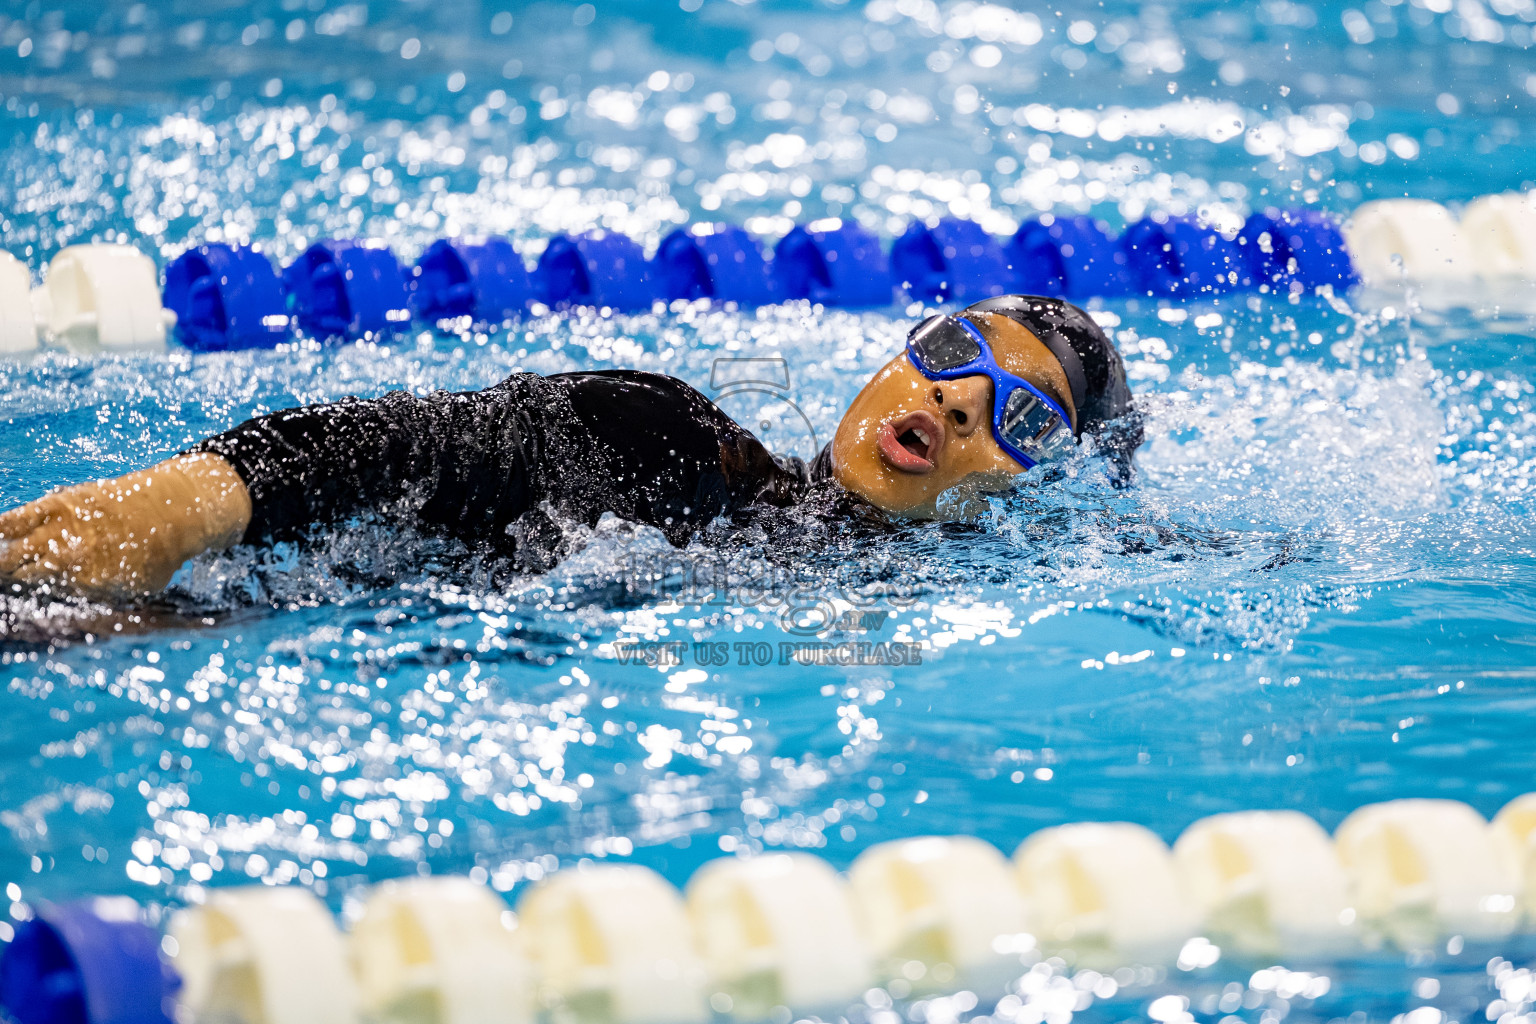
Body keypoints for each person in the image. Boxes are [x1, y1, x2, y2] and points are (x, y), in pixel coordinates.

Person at [0, 295, 1138, 597]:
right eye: (952, 349)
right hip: (248, 588)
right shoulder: (677, 443)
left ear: (1035, 492)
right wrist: (186, 504)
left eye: (1024, 418)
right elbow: (425, 441)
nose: (957, 401)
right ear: (898, 355)